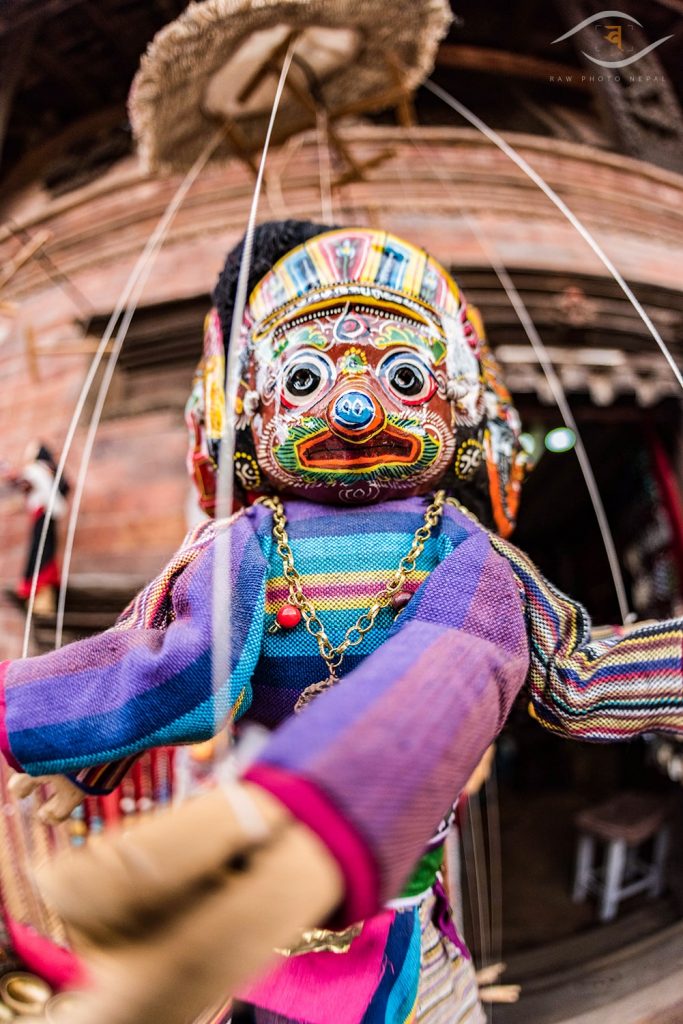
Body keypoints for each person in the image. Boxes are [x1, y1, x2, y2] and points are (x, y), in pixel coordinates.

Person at [2, 222, 683, 1024]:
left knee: (469, 641)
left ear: (450, 403)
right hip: (259, 921)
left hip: (390, 910)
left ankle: (309, 828)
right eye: (304, 381)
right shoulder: (246, 547)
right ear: (253, 413)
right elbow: (175, 668)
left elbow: (566, 676)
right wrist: (59, 731)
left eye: (399, 377)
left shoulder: (465, 559)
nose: (354, 410)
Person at [2, 442, 68, 615]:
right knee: (44, 551)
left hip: (42, 515)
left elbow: (27, 483)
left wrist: (11, 476)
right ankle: (41, 598)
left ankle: (41, 597)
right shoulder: (47, 470)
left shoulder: (36, 469)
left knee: (40, 552)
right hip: (45, 515)